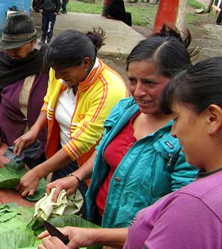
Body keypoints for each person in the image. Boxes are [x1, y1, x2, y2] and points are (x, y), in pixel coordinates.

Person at [38, 57, 222, 249]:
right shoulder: (211, 189)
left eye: (178, 119)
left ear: (212, 118)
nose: (173, 131)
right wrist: (94, 235)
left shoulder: (197, 205)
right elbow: (176, 244)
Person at [46, 27, 198, 228]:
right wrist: (77, 176)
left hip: (136, 242)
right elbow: (103, 150)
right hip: (97, 222)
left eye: (150, 83)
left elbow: (176, 214)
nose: (138, 91)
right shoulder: (126, 110)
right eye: (133, 81)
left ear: (178, 80)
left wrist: (112, 239)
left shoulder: (188, 136)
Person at [14, 29, 128, 198]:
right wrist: (35, 129)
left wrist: (37, 172)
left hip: (92, 167)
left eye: (64, 73)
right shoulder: (59, 70)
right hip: (63, 156)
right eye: (55, 71)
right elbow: (49, 102)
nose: (58, 77)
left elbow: (83, 143)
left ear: (86, 63)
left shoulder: (109, 89)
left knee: (80, 212)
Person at [0, 13, 48, 165]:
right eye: (7, 48)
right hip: (5, 143)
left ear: (32, 43)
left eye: (16, 48)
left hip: (38, 146)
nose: (11, 53)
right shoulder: (4, 63)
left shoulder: (48, 62)